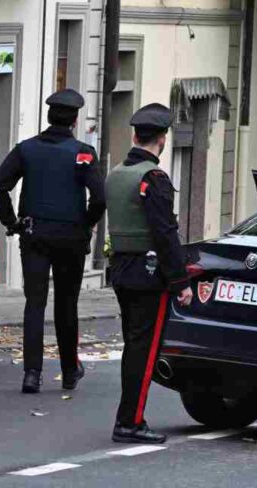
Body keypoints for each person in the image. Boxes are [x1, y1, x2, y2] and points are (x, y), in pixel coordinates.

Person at [0, 89, 106, 393]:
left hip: (34, 235)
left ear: (48, 116)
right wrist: (88, 223)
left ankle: (32, 373)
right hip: (71, 237)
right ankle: (69, 370)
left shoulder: (26, 149)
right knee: (67, 304)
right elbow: (100, 197)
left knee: (35, 303)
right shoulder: (83, 152)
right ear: (75, 119)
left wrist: (11, 222)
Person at [105, 103, 193, 444]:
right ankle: (130, 421)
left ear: (134, 135)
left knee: (134, 345)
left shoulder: (115, 173)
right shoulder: (153, 179)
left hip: (121, 269)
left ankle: (129, 417)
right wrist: (180, 281)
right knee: (143, 351)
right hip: (148, 272)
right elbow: (165, 232)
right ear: (163, 139)